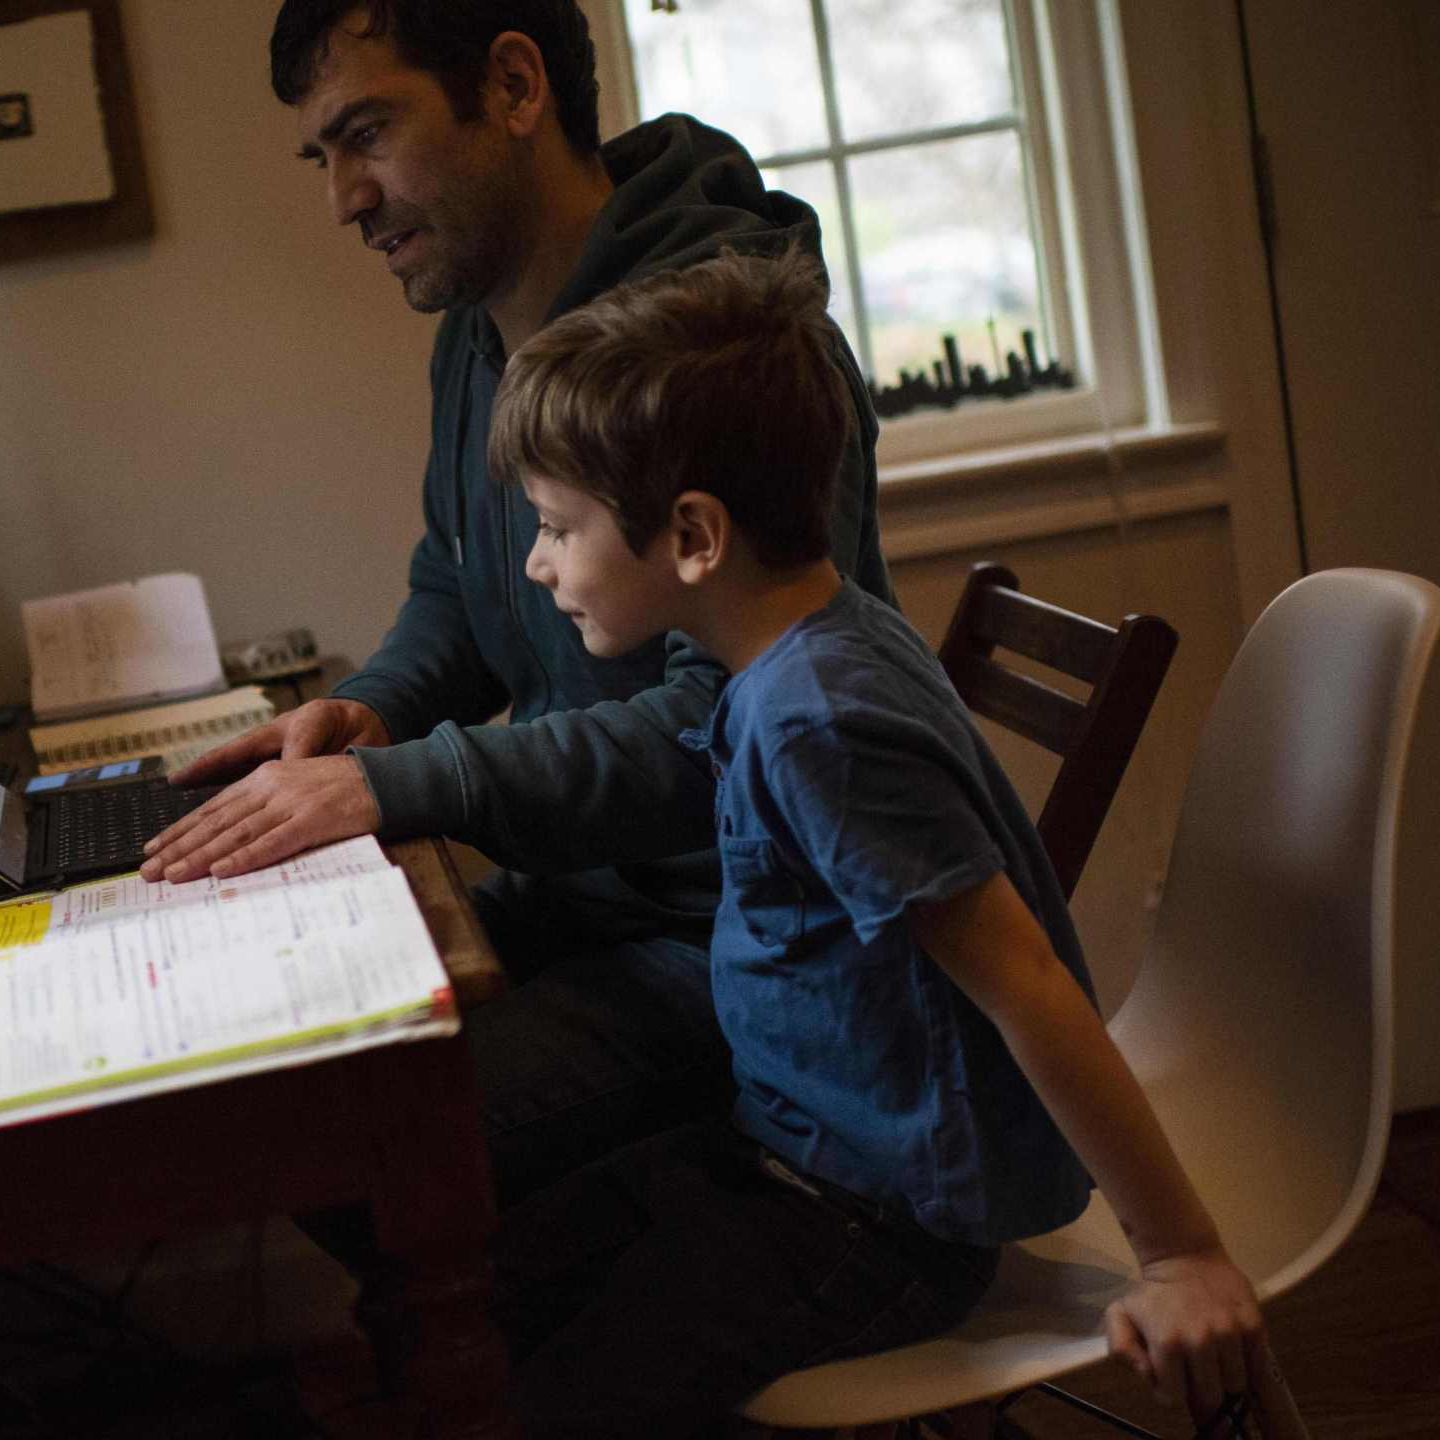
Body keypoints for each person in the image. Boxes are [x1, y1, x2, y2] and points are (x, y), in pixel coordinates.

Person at [142, 0, 892, 1303]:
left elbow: (734, 732)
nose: (343, 199)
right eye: (320, 155)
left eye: (366, 133)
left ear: (512, 84)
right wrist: (369, 715)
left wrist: (399, 787)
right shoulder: (478, 337)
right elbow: (457, 580)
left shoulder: (725, 352)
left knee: (344, 1148)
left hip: (744, 947)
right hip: (594, 903)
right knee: (279, 1065)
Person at [463, 247, 1272, 1431]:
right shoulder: (805, 649)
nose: (539, 563)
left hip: (869, 1222)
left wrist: (1181, 1257)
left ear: (692, 535)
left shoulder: (821, 721)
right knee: (496, 1277)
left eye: (556, 527)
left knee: (556, 1401)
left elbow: (1028, 985)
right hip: (786, 1160)